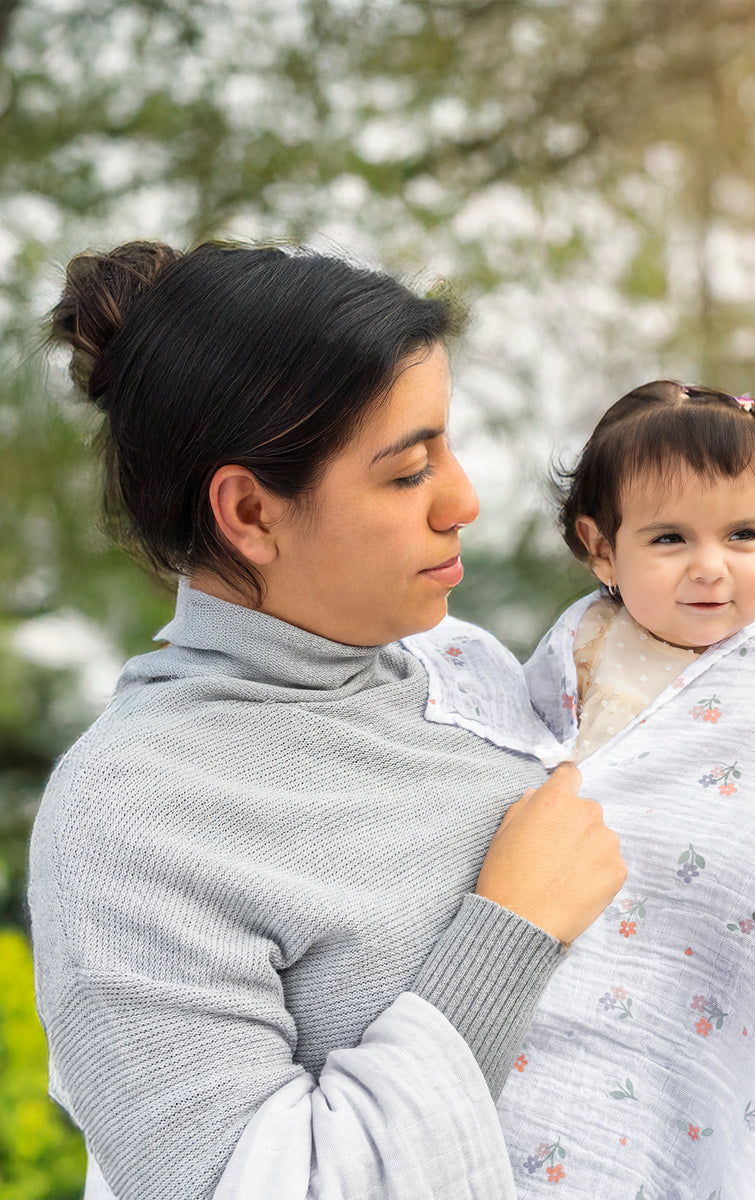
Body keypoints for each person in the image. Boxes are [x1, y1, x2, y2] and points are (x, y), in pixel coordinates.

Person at [27, 240, 627, 1200]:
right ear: (251, 512)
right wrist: (510, 930)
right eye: (406, 474)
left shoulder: (465, 675)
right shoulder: (135, 816)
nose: (463, 500)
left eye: (449, 448)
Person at [410, 381, 755, 1197]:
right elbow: (526, 767)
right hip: (558, 986)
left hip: (718, 997)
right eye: (671, 538)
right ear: (601, 548)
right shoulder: (576, 648)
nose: (711, 567)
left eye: (744, 534)